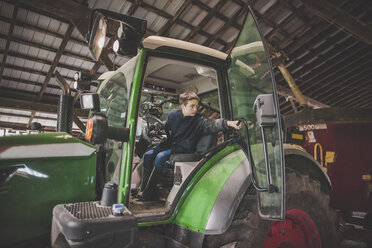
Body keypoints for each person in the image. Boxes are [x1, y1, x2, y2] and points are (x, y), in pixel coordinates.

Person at [138, 91, 241, 200]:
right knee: (148, 155)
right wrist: (156, 126)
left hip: (183, 148)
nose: (195, 109)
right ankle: (142, 188)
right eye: (192, 106)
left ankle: (149, 192)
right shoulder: (174, 114)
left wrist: (229, 123)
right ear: (183, 106)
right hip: (170, 143)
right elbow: (167, 124)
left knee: (160, 157)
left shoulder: (198, 120)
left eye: (197, 106)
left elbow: (213, 124)